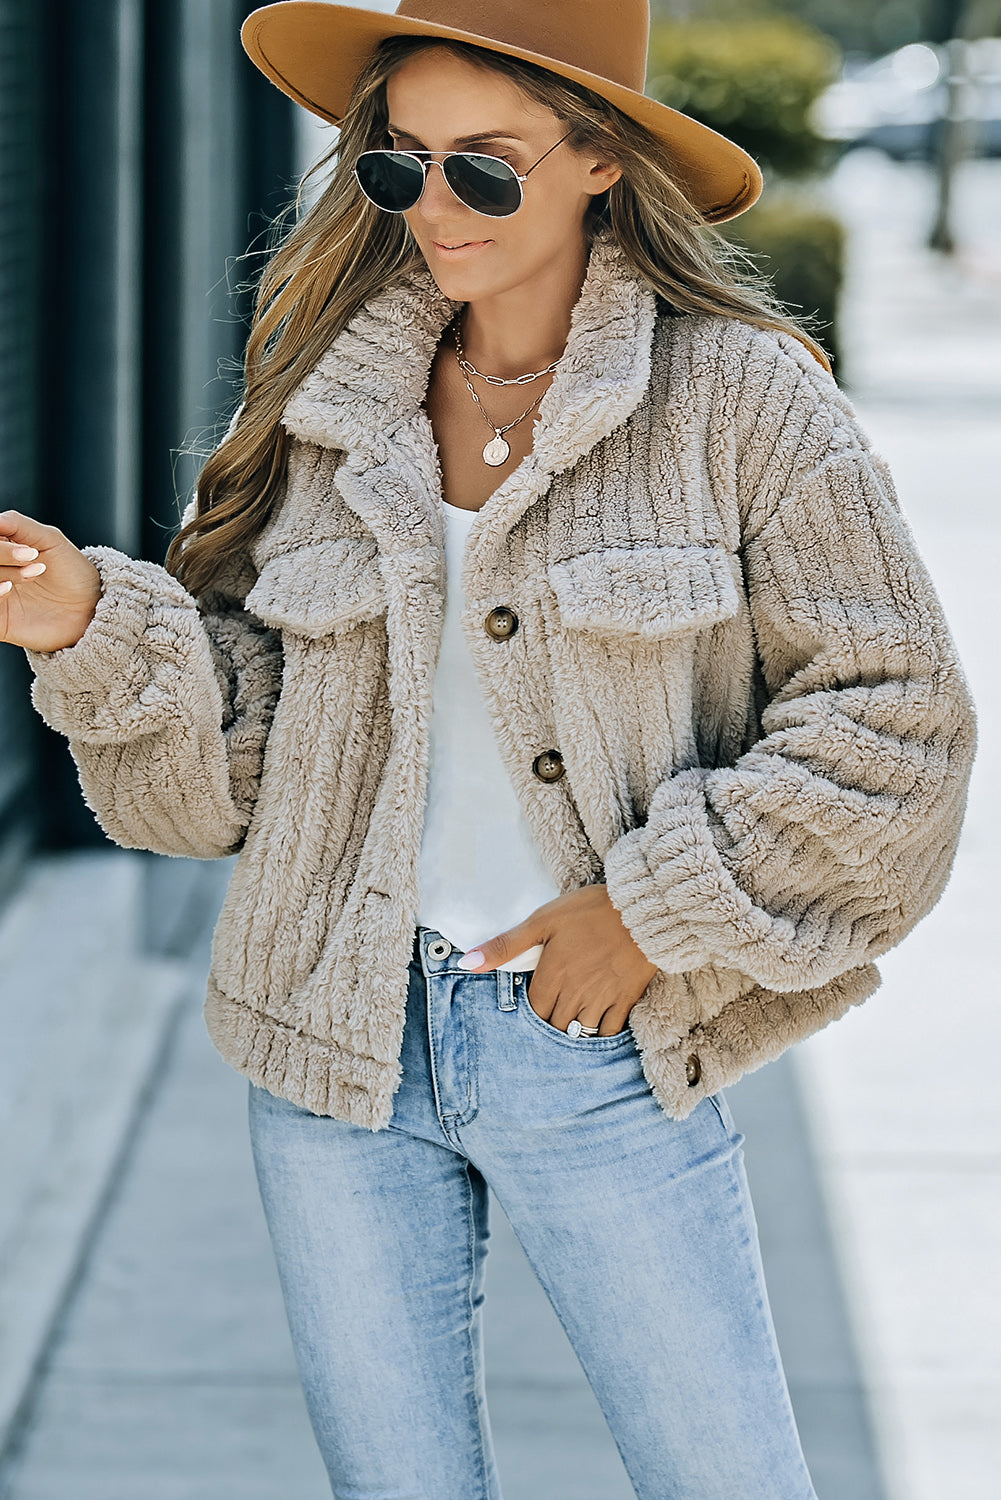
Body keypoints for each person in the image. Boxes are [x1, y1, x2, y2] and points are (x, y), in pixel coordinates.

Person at [0, 1, 977, 1496]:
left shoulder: (737, 402)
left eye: (487, 169)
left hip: (590, 1042)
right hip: (332, 1048)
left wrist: (649, 916)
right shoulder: (330, 409)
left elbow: (897, 720)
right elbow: (241, 772)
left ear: (600, 160)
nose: (433, 212)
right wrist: (93, 629)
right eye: (396, 169)